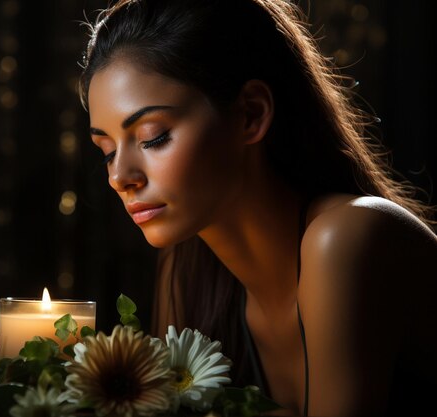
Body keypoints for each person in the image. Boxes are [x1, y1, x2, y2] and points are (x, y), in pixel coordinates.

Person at [78, 0, 437, 415]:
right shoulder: (187, 274)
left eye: (153, 136)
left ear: (251, 114)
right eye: (105, 151)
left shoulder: (346, 238)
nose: (120, 176)